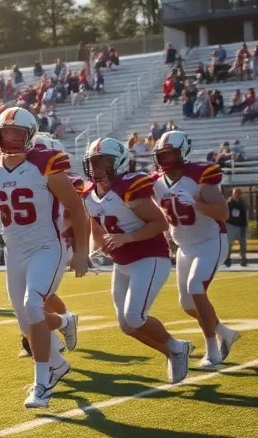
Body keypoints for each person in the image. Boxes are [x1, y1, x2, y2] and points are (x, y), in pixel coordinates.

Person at [0, 108, 88, 409]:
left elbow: (76, 209)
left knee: (32, 305)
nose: (10, 140)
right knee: (25, 322)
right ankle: (60, 352)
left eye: (17, 135)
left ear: (30, 136)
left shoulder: (46, 164)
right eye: (5, 134)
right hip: (15, 250)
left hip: (48, 246)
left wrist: (82, 252)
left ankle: (43, 381)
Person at [81, 138, 191, 382]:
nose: (97, 168)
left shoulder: (127, 188)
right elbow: (97, 230)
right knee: (127, 326)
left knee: (134, 317)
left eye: (104, 162)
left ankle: (176, 347)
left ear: (118, 163)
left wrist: (126, 237)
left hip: (149, 258)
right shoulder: (89, 194)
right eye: (94, 162)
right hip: (122, 264)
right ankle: (175, 351)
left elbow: (160, 223)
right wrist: (93, 251)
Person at [152, 131, 240, 368]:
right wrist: (166, 234)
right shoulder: (156, 182)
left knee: (195, 287)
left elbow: (223, 213)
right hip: (184, 246)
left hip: (211, 240)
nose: (166, 159)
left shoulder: (200, 175)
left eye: (171, 153)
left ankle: (213, 349)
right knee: (187, 304)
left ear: (183, 153)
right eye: (162, 154)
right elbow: (160, 213)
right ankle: (224, 331)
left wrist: (196, 203)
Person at [224, 188, 248, 267]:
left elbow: (245, 213)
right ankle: (227, 259)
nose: (238, 195)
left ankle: (243, 258)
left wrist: (245, 225)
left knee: (243, 244)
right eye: (236, 193)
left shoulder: (242, 203)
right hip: (231, 225)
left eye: (239, 193)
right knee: (229, 243)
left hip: (241, 226)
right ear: (233, 194)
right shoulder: (229, 202)